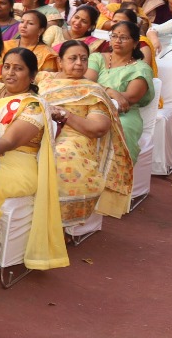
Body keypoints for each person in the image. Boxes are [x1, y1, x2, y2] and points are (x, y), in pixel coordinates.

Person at [0, 48, 69, 278]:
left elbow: (7, 142)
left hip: (17, 163)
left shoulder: (35, 105)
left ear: (32, 75)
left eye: (18, 68)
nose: (10, 72)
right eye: (7, 66)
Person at [39, 40, 132, 222]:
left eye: (83, 59)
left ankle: (57, 224)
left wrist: (65, 115)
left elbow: (98, 128)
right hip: (38, 129)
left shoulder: (92, 91)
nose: (79, 63)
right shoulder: (43, 81)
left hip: (73, 138)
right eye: (72, 58)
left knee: (60, 157)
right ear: (60, 61)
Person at [84, 19, 155, 161]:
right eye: (114, 36)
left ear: (135, 43)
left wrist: (106, 92)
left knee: (124, 128)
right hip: (90, 106)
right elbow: (86, 83)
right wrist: (110, 91)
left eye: (124, 38)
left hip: (123, 113)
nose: (117, 41)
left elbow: (130, 97)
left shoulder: (140, 68)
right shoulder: (97, 58)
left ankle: (119, 178)